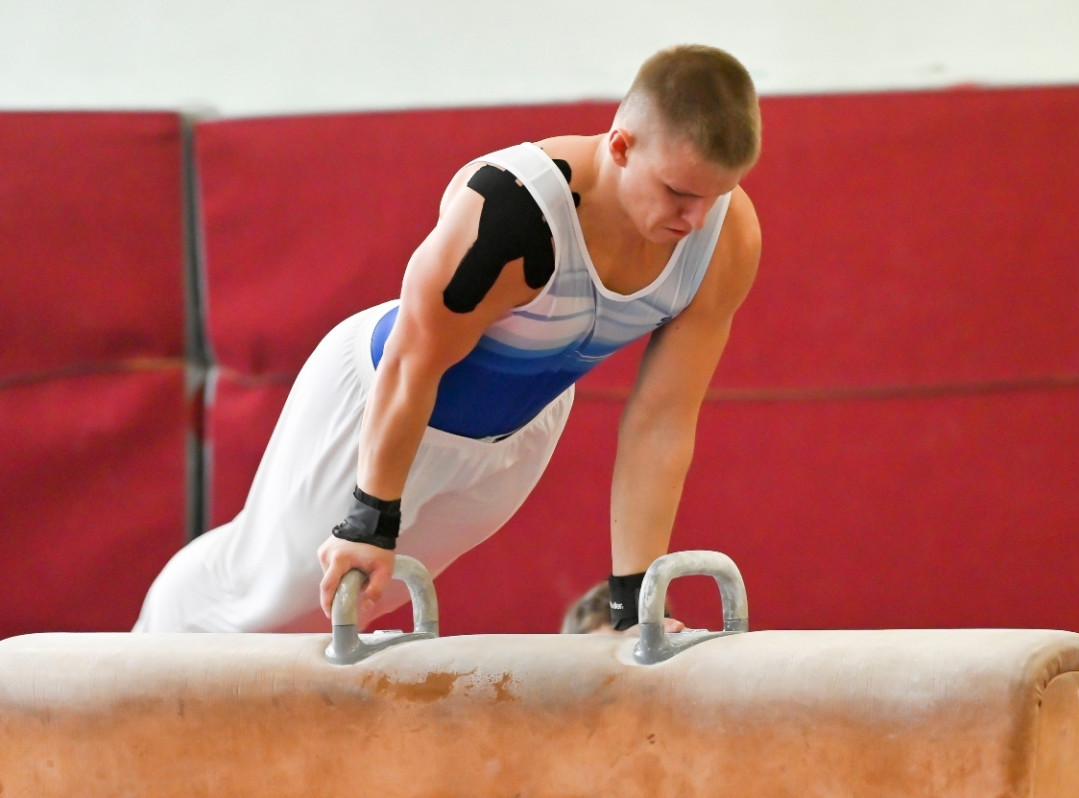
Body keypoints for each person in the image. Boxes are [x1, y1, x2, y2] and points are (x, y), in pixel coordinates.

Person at [134, 44, 763, 634]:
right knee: (269, 596)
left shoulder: (723, 237)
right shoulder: (511, 213)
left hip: (519, 431)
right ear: (621, 146)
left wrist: (634, 596)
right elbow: (413, 363)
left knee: (357, 604)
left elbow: (662, 419)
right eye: (679, 193)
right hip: (379, 395)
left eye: (716, 194)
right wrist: (368, 517)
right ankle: (151, 640)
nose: (695, 220)